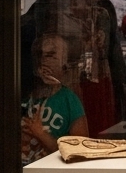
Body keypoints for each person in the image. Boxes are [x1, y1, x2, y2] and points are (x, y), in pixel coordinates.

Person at [21, 0, 126, 135]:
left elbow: (114, 58)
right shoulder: (46, 7)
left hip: (97, 89)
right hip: (59, 92)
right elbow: (31, 57)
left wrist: (123, 97)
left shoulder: (103, 7)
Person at [20, 32, 89, 164]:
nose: (44, 61)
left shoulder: (69, 100)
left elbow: (80, 150)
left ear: (65, 65)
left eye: (51, 56)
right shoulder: (26, 94)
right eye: (40, 56)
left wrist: (41, 134)